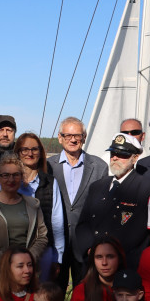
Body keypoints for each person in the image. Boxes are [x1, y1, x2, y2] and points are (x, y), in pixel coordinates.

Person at [76, 133, 150, 269]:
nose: (115, 158)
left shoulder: (147, 188)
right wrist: (90, 249)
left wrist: (111, 253)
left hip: (126, 263)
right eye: (113, 154)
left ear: (135, 158)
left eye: (122, 155)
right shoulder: (97, 186)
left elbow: (138, 231)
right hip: (94, 262)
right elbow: (83, 224)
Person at [0, 154, 48, 294]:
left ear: (22, 177)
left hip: (26, 274)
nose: (11, 179)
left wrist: (26, 263)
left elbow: (42, 237)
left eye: (16, 175)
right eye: (6, 175)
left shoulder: (32, 204)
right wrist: (7, 266)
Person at [49, 117, 109, 286]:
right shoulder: (47, 166)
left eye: (77, 135)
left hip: (85, 243)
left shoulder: (99, 166)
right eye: (68, 135)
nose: (73, 140)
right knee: (53, 292)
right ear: (60, 138)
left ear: (84, 137)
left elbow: (102, 209)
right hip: (55, 242)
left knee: (84, 292)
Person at [15, 132, 64, 282]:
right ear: (18, 152)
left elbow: (57, 222)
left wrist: (58, 257)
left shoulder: (50, 183)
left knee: (41, 293)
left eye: (34, 149)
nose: (30, 153)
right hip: (15, 252)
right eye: (25, 149)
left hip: (44, 252)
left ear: (40, 153)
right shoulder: (9, 183)